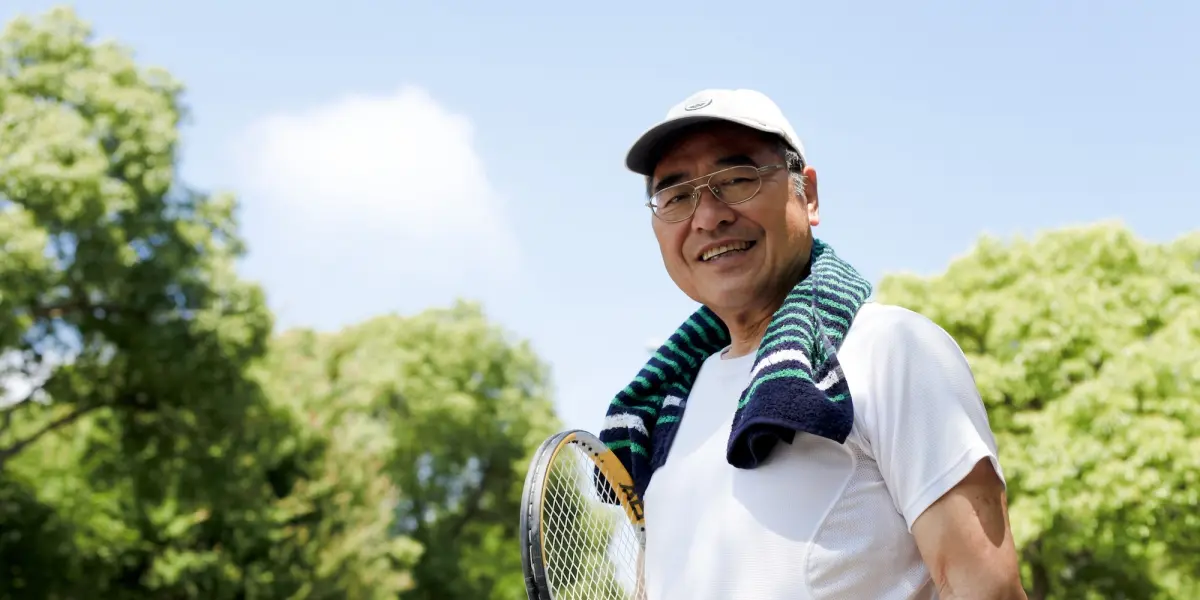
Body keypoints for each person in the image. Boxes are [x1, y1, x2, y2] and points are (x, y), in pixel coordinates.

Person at [599, 89, 1027, 600]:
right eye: (675, 196)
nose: (708, 217)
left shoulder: (892, 350)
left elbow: (988, 590)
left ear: (809, 194)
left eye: (736, 180)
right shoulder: (663, 415)